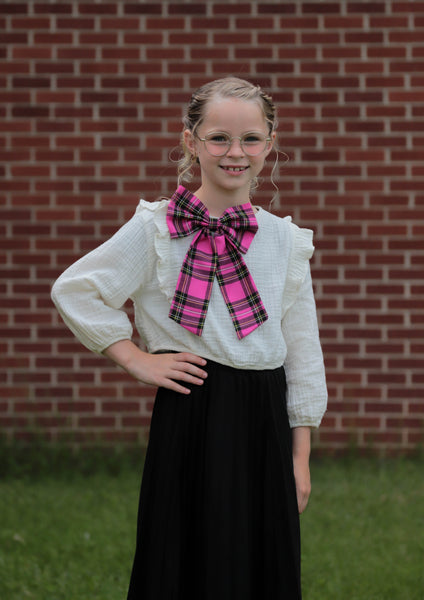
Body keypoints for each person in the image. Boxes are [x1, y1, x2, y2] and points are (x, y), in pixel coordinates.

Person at [51, 76, 327, 600]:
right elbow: (78, 289)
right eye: (219, 137)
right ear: (190, 142)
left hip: (265, 418)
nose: (235, 152)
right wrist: (134, 357)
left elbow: (303, 349)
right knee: (184, 557)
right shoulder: (158, 228)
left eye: (251, 139)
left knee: (260, 559)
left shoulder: (285, 241)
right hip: (193, 408)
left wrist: (301, 453)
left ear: (270, 143)